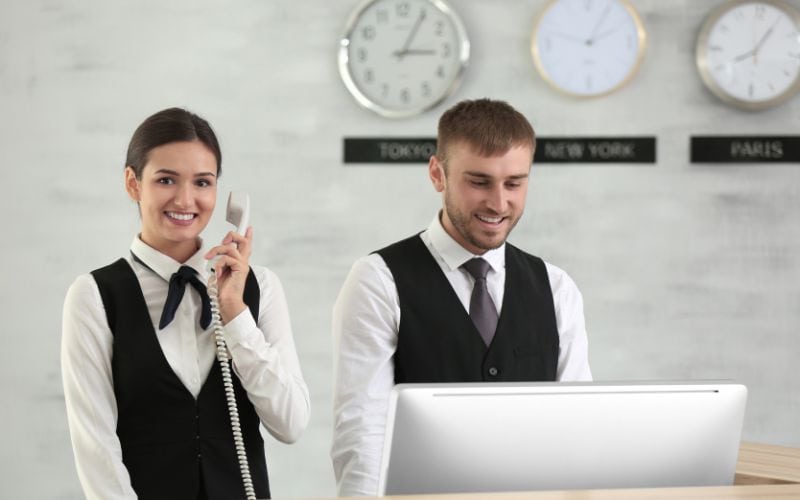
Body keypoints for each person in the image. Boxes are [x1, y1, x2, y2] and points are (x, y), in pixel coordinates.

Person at [331, 98, 592, 496]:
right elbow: (363, 434)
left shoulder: (557, 289)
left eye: (514, 183)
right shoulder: (379, 281)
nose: (499, 203)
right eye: (479, 181)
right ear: (438, 174)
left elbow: (577, 427)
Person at [61, 107, 310, 500]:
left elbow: (291, 423)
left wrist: (236, 315)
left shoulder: (260, 286)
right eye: (165, 180)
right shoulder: (94, 296)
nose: (185, 199)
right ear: (132, 183)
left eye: (202, 182)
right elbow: (96, 450)